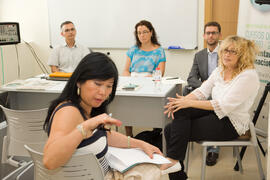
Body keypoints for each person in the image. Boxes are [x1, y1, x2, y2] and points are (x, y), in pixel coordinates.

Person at [43, 52, 177, 179]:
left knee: (156, 166)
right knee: (156, 170)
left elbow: (102, 135)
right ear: (79, 81)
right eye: (97, 84)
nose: (103, 92)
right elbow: (50, 161)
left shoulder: (87, 107)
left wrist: (140, 144)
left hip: (102, 173)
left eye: (109, 86)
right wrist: (86, 125)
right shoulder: (69, 112)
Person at [162, 35, 260, 180]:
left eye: (233, 51)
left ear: (243, 55)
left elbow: (223, 105)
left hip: (231, 123)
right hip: (215, 112)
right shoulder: (220, 70)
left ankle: (174, 164)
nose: (227, 54)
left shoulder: (248, 76)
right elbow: (202, 91)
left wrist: (188, 103)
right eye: (225, 50)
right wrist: (181, 101)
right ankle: (175, 163)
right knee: (179, 111)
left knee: (171, 130)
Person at [183, 21, 222, 166]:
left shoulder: (226, 53)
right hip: (204, 92)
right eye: (208, 33)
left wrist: (214, 87)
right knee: (185, 97)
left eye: (214, 33)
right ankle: (185, 137)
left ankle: (213, 149)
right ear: (204, 35)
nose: (211, 36)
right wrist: (206, 86)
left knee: (215, 105)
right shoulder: (199, 55)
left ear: (219, 35)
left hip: (220, 93)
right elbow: (191, 78)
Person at [123, 20, 166, 137]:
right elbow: (126, 70)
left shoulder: (159, 51)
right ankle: (129, 134)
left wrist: (149, 79)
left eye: (145, 32)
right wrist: (128, 80)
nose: (142, 35)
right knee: (126, 104)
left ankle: (155, 133)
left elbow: (160, 72)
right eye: (139, 33)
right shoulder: (133, 49)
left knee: (152, 106)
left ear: (151, 32)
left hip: (150, 82)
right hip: (132, 82)